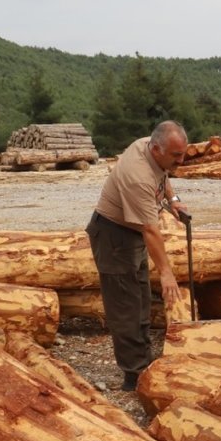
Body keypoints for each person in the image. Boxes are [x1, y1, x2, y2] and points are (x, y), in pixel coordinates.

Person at [86, 120, 189, 391]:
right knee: (126, 308)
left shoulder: (149, 147)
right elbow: (150, 230)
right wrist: (166, 273)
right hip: (113, 237)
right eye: (176, 155)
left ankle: (144, 362)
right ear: (156, 149)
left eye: (183, 153)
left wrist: (174, 200)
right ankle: (135, 377)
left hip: (129, 235)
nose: (182, 160)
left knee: (140, 298)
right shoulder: (138, 176)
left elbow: (163, 176)